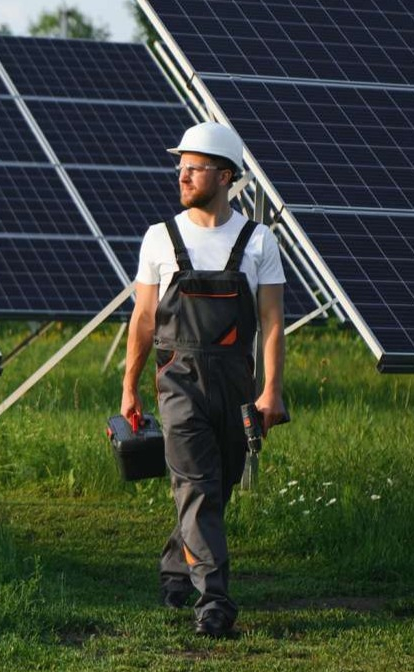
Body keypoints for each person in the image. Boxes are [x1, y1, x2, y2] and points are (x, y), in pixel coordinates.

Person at [121, 121, 287, 638]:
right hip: (178, 380)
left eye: (193, 168)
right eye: (181, 167)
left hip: (237, 382)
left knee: (212, 489)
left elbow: (273, 323)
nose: (182, 176)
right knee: (195, 485)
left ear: (224, 175)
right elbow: (144, 319)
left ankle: (176, 568)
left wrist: (272, 390)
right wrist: (129, 386)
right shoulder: (159, 238)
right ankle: (214, 600)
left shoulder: (258, 241)